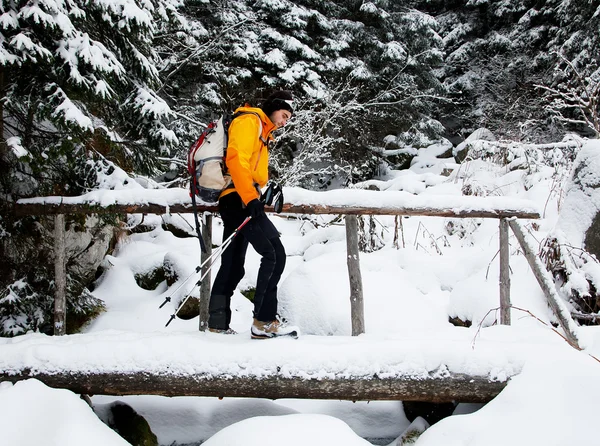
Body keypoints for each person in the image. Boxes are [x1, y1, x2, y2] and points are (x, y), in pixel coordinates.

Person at [208, 90, 297, 339]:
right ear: (275, 107)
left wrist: (259, 191)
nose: (284, 122)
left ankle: (217, 325)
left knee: (234, 264)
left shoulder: (262, 130)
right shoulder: (250, 121)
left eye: (288, 118)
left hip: (239, 198)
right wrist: (250, 197)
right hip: (239, 199)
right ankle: (264, 321)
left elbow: (250, 168)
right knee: (274, 253)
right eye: (284, 115)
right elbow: (237, 159)